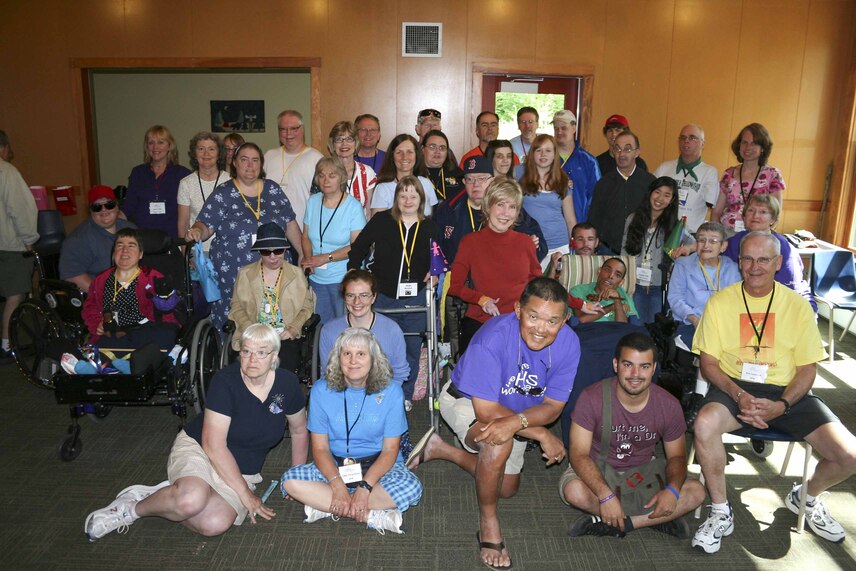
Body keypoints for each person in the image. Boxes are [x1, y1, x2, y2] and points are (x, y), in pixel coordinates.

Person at [691, 232, 856, 552]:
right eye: (747, 259)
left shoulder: (796, 306)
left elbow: (808, 369)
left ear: (778, 263)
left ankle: (805, 497)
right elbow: (709, 364)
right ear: (739, 262)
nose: (754, 266)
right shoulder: (720, 302)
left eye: (763, 259)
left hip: (787, 390)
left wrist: (782, 404)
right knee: (705, 423)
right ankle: (721, 510)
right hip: (734, 387)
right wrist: (739, 395)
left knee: (849, 455)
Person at [407, 278, 581, 570]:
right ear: (518, 310)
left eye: (552, 321)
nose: (541, 329)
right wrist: (538, 433)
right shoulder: (493, 337)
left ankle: (441, 449)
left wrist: (521, 422)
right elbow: (486, 411)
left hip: (514, 415)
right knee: (497, 443)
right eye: (533, 316)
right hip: (465, 400)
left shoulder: (569, 343)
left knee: (506, 488)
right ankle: (489, 524)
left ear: (564, 320)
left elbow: (553, 407)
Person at [84, 324, 309, 540]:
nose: (252, 360)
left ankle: (172, 493)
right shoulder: (225, 381)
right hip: (201, 448)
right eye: (246, 351)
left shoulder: (286, 384)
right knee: (191, 501)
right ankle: (132, 508)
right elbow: (213, 445)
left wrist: (295, 477)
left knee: (214, 524)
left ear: (274, 356)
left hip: (243, 468)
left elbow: (299, 430)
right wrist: (246, 495)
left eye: (261, 353)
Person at [562, 332, 705, 539]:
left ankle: (621, 523)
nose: (635, 374)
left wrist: (672, 490)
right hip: (598, 470)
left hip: (643, 473)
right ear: (616, 365)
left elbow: (677, 457)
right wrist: (605, 495)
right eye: (628, 365)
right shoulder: (591, 397)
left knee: (696, 492)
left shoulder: (668, 405)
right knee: (574, 491)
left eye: (644, 367)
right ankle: (654, 518)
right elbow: (578, 454)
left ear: (654, 368)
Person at [281, 328, 423, 534]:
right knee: (290, 482)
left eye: (361, 354)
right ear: (337, 359)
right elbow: (320, 448)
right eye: (346, 354)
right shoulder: (321, 390)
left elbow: (390, 450)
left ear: (373, 359)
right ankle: (369, 514)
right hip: (335, 465)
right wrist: (337, 485)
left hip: (379, 466)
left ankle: (330, 506)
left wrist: (365, 488)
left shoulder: (391, 391)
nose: (353, 361)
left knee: (412, 487)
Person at [187, 142, 303, 333]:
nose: (250, 165)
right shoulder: (223, 192)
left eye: (255, 160)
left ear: (261, 164)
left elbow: (290, 223)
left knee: (273, 316)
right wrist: (197, 230)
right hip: (232, 272)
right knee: (235, 317)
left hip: (273, 267)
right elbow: (205, 224)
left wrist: (302, 253)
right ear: (234, 163)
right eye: (244, 160)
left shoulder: (273, 189)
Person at [349, 176, 435, 407]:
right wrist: (355, 275)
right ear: (396, 198)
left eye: (413, 196)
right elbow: (357, 249)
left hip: (416, 297)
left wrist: (436, 271)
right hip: (384, 295)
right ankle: (377, 392)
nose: (408, 200)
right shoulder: (382, 220)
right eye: (403, 195)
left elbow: (444, 255)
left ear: (421, 199)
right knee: (379, 348)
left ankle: (404, 395)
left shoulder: (429, 226)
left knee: (411, 350)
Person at [449, 178, 542, 352]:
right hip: (481, 319)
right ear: (488, 206)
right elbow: (454, 287)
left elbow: (539, 285)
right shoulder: (470, 242)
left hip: (519, 320)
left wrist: (579, 304)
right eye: (500, 205)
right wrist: (481, 299)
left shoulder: (525, 242)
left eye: (512, 207)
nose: (506, 213)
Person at [229, 222, 316, 372]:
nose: (272, 256)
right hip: (253, 335)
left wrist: (293, 329)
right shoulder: (245, 274)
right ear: (259, 252)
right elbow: (236, 307)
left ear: (284, 250)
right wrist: (250, 328)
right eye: (265, 251)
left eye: (278, 250)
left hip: (284, 336)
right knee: (243, 369)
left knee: (284, 367)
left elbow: (306, 308)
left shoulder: (296, 274)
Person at [81, 228, 179, 350]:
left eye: (131, 246)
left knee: (162, 336)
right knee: (102, 344)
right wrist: (97, 324)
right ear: (113, 253)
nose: (124, 250)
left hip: (146, 330)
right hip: (114, 333)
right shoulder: (100, 280)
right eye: (120, 246)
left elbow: (168, 312)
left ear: (140, 254)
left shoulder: (153, 278)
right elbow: (90, 308)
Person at [301, 157, 366, 324]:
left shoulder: (353, 207)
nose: (326, 180)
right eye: (321, 175)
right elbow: (306, 236)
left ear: (342, 177)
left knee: (343, 327)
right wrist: (309, 260)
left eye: (332, 175)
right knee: (320, 329)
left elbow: (357, 247)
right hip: (316, 278)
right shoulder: (313, 202)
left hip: (342, 278)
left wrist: (325, 258)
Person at [722, 194, 815, 310]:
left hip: (780, 303)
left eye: (763, 212)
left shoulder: (783, 247)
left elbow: (791, 287)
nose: (755, 215)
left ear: (773, 219)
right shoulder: (736, 241)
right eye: (751, 210)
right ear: (744, 217)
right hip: (744, 298)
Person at [319, 270, 409, 386]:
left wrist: (386, 398)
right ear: (344, 298)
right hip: (342, 394)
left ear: (373, 297)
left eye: (364, 295)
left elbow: (399, 373)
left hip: (382, 394)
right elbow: (327, 374)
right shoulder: (329, 331)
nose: (357, 302)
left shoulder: (392, 330)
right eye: (351, 295)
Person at [667, 222, 741, 346]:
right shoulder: (683, 265)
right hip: (690, 323)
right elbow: (676, 298)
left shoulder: (733, 269)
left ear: (723, 246)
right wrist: (694, 319)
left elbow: (737, 301)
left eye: (713, 241)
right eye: (702, 240)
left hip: (722, 325)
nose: (706, 245)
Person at [0, 132, 38, 361]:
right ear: (4, 147)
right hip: (9, 244)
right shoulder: (7, 171)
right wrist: (29, 239)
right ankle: (7, 345)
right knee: (14, 296)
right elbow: (20, 209)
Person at [621, 177, 679, 324]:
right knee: (636, 326)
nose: (660, 198)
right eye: (657, 192)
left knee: (655, 330)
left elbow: (692, 243)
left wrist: (686, 248)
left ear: (672, 200)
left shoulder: (674, 225)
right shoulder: (633, 219)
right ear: (650, 193)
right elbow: (624, 252)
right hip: (635, 285)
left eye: (667, 195)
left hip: (658, 286)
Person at [588, 131, 656, 254]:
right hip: (608, 250)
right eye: (617, 149)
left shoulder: (649, 182)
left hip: (641, 250)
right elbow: (594, 219)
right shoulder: (603, 183)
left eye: (628, 149)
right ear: (613, 152)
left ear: (637, 152)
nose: (622, 154)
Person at [59, 185, 136, 292]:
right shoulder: (77, 240)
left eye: (109, 205)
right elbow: (73, 276)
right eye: (97, 207)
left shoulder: (131, 229)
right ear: (90, 210)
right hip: (100, 295)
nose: (104, 211)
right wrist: (108, 296)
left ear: (117, 207)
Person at [712, 123, 785, 233]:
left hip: (757, 236)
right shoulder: (729, 174)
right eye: (744, 142)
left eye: (754, 143)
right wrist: (719, 237)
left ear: (763, 148)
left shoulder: (772, 175)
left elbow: (775, 216)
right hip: (727, 235)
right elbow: (716, 213)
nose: (748, 147)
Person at [121, 125, 191, 237]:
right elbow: (128, 206)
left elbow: (189, 214)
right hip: (142, 238)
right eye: (151, 142)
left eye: (161, 142)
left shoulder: (183, 175)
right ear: (146, 147)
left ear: (170, 146)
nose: (155, 147)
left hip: (172, 238)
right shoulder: (138, 173)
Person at [519, 134, 576, 269]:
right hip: (532, 243)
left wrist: (575, 244)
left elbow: (570, 219)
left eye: (548, 150)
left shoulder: (563, 179)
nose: (543, 154)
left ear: (555, 154)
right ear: (532, 153)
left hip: (559, 244)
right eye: (538, 150)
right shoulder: (519, 173)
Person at [263, 110, 324, 229]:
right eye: (283, 129)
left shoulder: (316, 158)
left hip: (303, 229)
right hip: (272, 231)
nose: (288, 134)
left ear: (302, 129)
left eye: (293, 129)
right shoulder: (269, 156)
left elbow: (322, 199)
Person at [654, 124, 719, 233]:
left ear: (703, 143)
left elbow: (712, 206)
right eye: (683, 138)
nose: (686, 141)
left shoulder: (709, 172)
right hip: (661, 231)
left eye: (692, 138)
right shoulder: (664, 168)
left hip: (691, 235)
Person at [177, 132, 230, 250]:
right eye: (201, 149)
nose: (206, 153)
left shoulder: (231, 181)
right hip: (196, 250)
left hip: (226, 249)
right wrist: (185, 253)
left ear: (219, 153)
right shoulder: (186, 184)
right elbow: (183, 223)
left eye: (211, 149)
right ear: (194, 153)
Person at [370, 134, 438, 217]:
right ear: (392, 156)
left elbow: (434, 219)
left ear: (417, 155)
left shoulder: (426, 183)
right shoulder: (382, 189)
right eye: (399, 152)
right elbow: (377, 225)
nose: (404, 157)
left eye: (410, 152)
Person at [552, 110, 601, 223]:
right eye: (556, 128)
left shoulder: (589, 161)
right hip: (552, 226)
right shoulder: (546, 159)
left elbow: (596, 198)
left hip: (581, 225)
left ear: (574, 128)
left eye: (564, 128)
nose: (559, 132)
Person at [327, 121, 377, 217]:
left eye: (349, 139)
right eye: (339, 139)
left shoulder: (367, 172)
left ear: (356, 143)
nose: (344, 143)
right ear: (332, 144)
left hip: (361, 230)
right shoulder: (324, 172)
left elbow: (369, 211)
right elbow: (315, 207)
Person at [569, 258, 639, 324]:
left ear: (621, 282)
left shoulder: (624, 296)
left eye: (617, 275)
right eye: (607, 270)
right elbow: (582, 320)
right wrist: (611, 307)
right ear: (599, 271)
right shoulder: (578, 291)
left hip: (615, 334)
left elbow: (624, 327)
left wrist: (617, 301)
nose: (611, 276)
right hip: (589, 333)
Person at [421, 129, 462, 202]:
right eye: (432, 147)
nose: (437, 152)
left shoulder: (457, 174)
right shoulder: (415, 174)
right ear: (423, 150)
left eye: (442, 148)